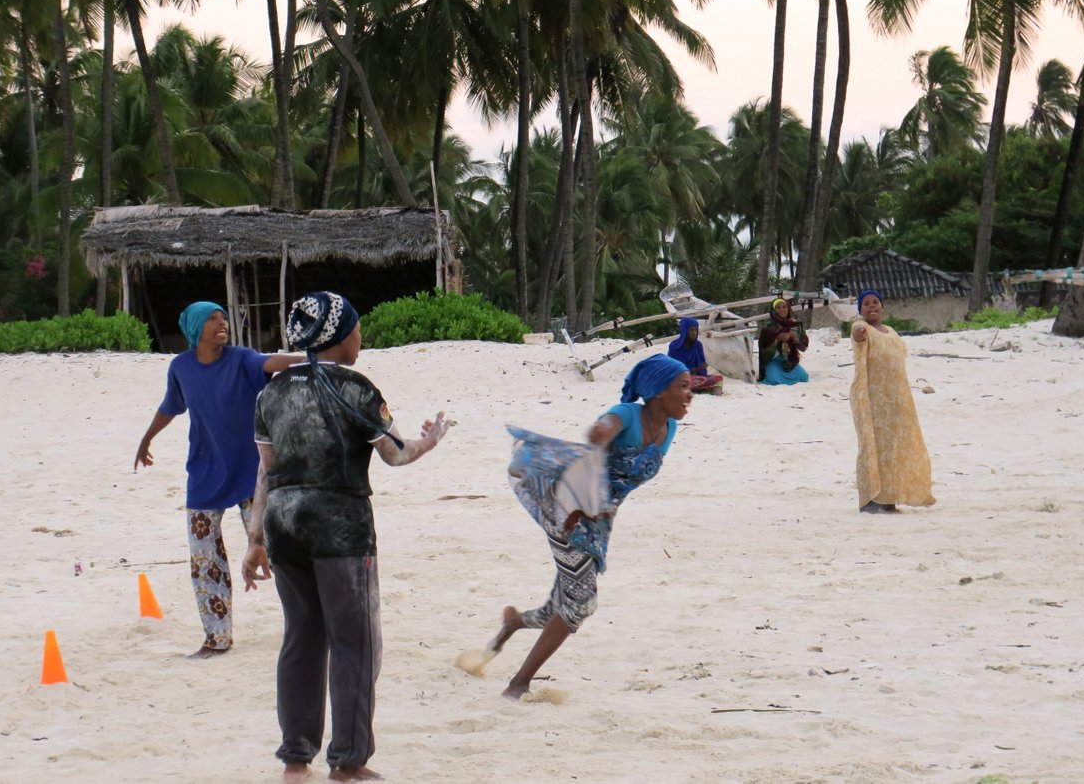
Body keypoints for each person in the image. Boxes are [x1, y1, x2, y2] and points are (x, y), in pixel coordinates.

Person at [242, 291, 449, 783]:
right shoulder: (356, 388)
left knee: (301, 638)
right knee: (354, 644)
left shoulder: (272, 392)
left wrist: (254, 539)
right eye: (356, 328)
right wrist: (433, 437)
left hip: (284, 525)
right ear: (338, 338)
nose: (361, 337)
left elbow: (266, 472)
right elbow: (397, 454)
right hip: (340, 525)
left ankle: (296, 758)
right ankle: (349, 762)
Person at [486, 353, 692, 700]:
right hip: (567, 508)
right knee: (581, 602)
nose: (691, 394)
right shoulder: (627, 415)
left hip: (599, 519)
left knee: (561, 605)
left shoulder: (668, 428)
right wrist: (600, 434)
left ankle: (514, 623)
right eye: (683, 387)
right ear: (658, 391)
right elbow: (605, 428)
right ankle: (517, 685)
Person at [133, 301, 301, 658]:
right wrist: (147, 438)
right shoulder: (181, 368)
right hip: (205, 470)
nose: (221, 323)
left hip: (251, 471)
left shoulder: (241, 359)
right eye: (212, 319)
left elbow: (271, 362)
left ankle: (309, 625)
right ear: (194, 328)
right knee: (204, 559)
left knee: (280, 550)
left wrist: (316, 356)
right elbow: (170, 407)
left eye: (223, 318)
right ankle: (216, 637)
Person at [850, 290, 936, 514]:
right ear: (860, 310)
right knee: (872, 445)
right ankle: (870, 499)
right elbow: (858, 336)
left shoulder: (892, 332)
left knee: (894, 447)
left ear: (882, 306)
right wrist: (859, 328)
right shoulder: (862, 328)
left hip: (897, 399)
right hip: (871, 398)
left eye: (875, 302)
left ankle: (889, 497)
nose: (871, 306)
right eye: (866, 304)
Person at [758, 297, 809, 385]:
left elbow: (803, 348)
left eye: (784, 307)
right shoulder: (768, 327)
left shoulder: (795, 325)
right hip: (772, 360)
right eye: (778, 307)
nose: (782, 309)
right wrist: (777, 339)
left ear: (788, 309)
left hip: (789, 361)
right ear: (774, 311)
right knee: (773, 379)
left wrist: (795, 338)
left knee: (804, 377)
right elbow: (763, 348)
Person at [667, 317, 724, 394]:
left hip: (696, 379)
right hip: (680, 381)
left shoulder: (698, 346)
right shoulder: (674, 347)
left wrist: (701, 370)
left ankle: (717, 396)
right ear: (685, 330)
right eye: (691, 330)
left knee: (718, 378)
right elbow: (672, 372)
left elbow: (703, 373)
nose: (694, 333)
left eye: (696, 330)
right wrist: (696, 369)